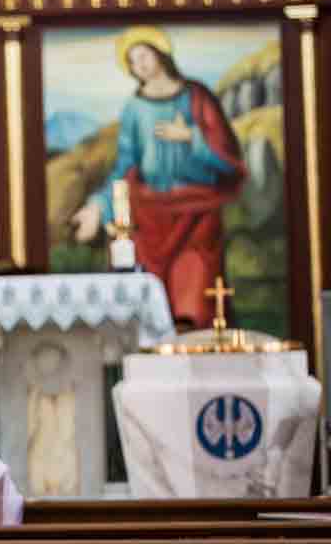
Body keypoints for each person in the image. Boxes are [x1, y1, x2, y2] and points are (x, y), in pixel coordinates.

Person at [70, 26, 245, 328]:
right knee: (150, 305)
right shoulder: (134, 109)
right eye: (133, 61)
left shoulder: (196, 97)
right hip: (151, 217)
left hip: (196, 214)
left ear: (161, 54)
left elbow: (228, 160)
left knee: (194, 298)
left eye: (144, 55)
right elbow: (124, 168)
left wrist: (190, 136)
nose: (140, 65)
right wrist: (97, 207)